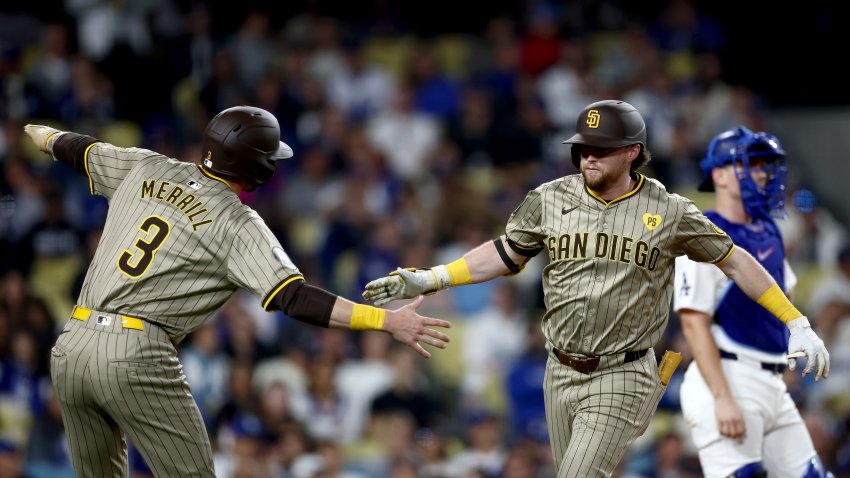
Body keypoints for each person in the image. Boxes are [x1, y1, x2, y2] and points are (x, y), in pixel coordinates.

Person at [362, 100, 830, 478]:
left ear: (632, 151)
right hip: (559, 368)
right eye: (583, 147)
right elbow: (506, 254)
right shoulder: (551, 198)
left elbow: (736, 262)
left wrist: (795, 320)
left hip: (624, 372)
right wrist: (432, 277)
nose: (588, 156)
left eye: (601, 149)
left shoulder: (668, 210)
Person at [23, 105, 452, 478]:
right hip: (135, 352)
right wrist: (386, 319)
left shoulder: (147, 166)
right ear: (257, 167)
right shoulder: (237, 223)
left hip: (73, 343)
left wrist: (41, 135)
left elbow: (76, 148)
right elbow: (293, 297)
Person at [673, 126, 835, 478]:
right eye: (748, 164)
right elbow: (692, 321)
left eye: (764, 165)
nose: (760, 173)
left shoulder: (770, 230)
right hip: (728, 377)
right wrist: (722, 397)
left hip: (771, 381)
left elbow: (782, 298)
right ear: (719, 175)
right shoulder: (703, 232)